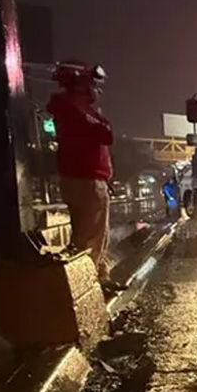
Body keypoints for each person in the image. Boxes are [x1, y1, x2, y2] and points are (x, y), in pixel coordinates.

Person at [48, 60, 125, 292]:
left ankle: (100, 278)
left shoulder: (71, 108)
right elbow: (105, 133)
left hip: (83, 179)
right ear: (80, 84)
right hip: (87, 181)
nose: (97, 90)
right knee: (90, 239)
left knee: (92, 236)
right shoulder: (76, 108)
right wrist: (100, 118)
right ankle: (86, 289)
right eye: (94, 84)